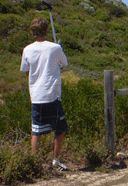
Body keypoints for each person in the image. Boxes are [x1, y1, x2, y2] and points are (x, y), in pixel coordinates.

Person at [20, 17, 69, 170]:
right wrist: (59, 49)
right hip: (52, 95)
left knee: (36, 131)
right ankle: (55, 160)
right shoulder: (54, 48)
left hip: (36, 96)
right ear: (46, 30)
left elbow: (27, 72)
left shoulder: (27, 50)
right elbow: (65, 63)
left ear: (33, 31)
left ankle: (34, 165)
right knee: (60, 129)